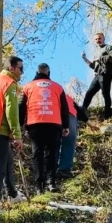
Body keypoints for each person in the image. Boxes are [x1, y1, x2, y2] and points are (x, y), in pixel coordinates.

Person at [0, 56, 26, 212]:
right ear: (12, 68)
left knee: (7, 163)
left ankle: (13, 194)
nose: (22, 72)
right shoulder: (9, 83)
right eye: (21, 68)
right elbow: (12, 111)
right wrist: (17, 135)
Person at [19, 64, 70, 192]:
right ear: (49, 73)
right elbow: (64, 108)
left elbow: (21, 106)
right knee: (52, 154)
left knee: (37, 154)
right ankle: (51, 182)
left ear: (37, 72)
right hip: (54, 124)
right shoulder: (57, 87)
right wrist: (66, 125)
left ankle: (39, 185)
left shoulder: (28, 86)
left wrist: (19, 124)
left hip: (35, 124)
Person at [81, 32, 112, 120]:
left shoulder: (108, 47)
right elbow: (94, 66)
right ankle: (82, 112)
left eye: (99, 38)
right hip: (98, 75)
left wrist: (101, 58)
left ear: (103, 39)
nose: (98, 40)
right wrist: (85, 59)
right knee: (89, 93)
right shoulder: (97, 52)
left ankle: (108, 115)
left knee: (105, 94)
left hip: (105, 74)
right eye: (96, 39)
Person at [57, 94, 84, 179]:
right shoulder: (67, 97)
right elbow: (80, 111)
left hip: (51, 112)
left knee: (53, 141)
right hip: (68, 113)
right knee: (69, 141)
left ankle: (52, 168)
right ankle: (64, 170)